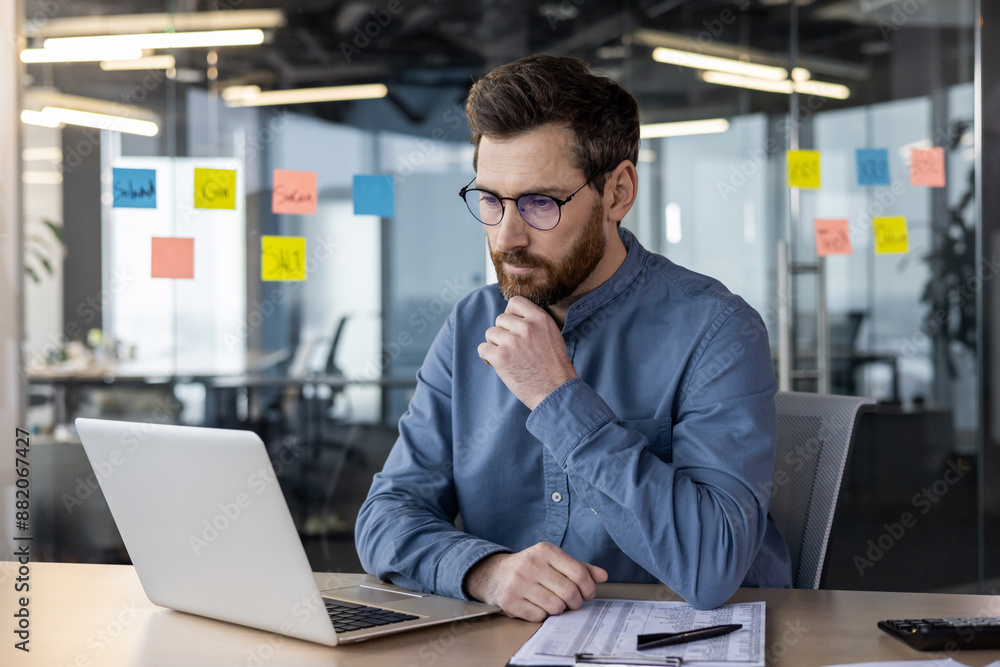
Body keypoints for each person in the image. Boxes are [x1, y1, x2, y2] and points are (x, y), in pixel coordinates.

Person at [355, 54, 792, 621]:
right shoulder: (472, 326)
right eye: (490, 201)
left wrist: (557, 396)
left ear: (617, 193)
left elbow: (713, 564)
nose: (507, 237)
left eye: (540, 203)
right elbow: (386, 514)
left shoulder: (716, 330)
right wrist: (486, 572)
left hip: (686, 643)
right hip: (509, 642)